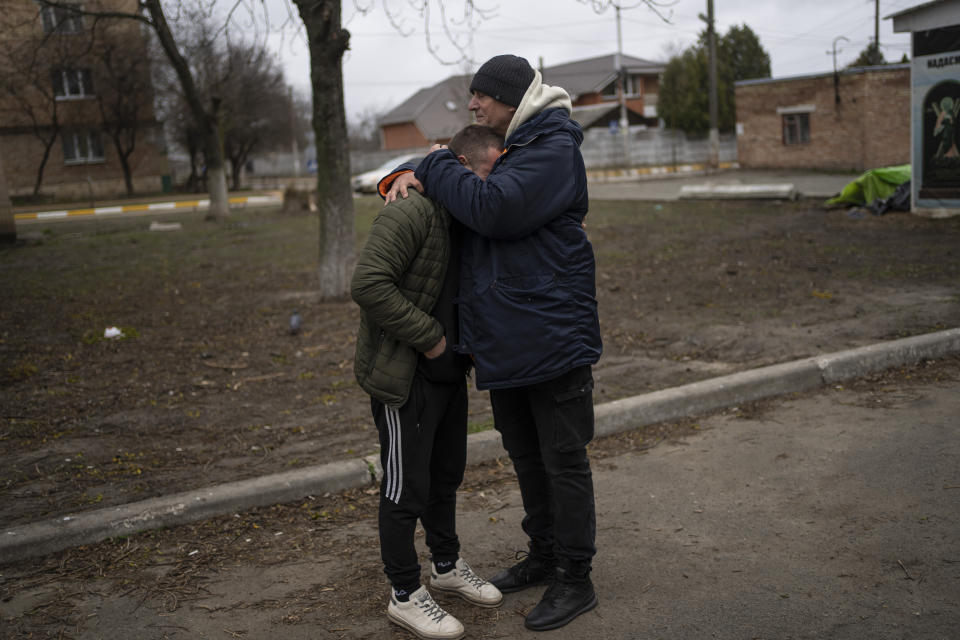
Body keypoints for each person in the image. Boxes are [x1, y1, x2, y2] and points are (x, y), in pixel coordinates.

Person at [381, 54, 603, 632]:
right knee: (527, 459)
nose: (474, 106)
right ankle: (545, 554)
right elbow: (465, 161)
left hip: (552, 339)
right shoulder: (515, 149)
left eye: (481, 97)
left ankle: (576, 578)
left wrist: (432, 164)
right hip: (508, 341)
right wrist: (408, 169)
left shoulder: (554, 150)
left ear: (512, 98)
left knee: (563, 461)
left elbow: (493, 208)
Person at [351, 124, 506, 640]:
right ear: (460, 168)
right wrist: (431, 339)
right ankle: (404, 594)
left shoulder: (463, 215)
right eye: (485, 173)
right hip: (407, 376)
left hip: (448, 377)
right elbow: (369, 283)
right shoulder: (412, 208)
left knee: (444, 477)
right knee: (404, 488)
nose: (488, 187)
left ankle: (444, 566)